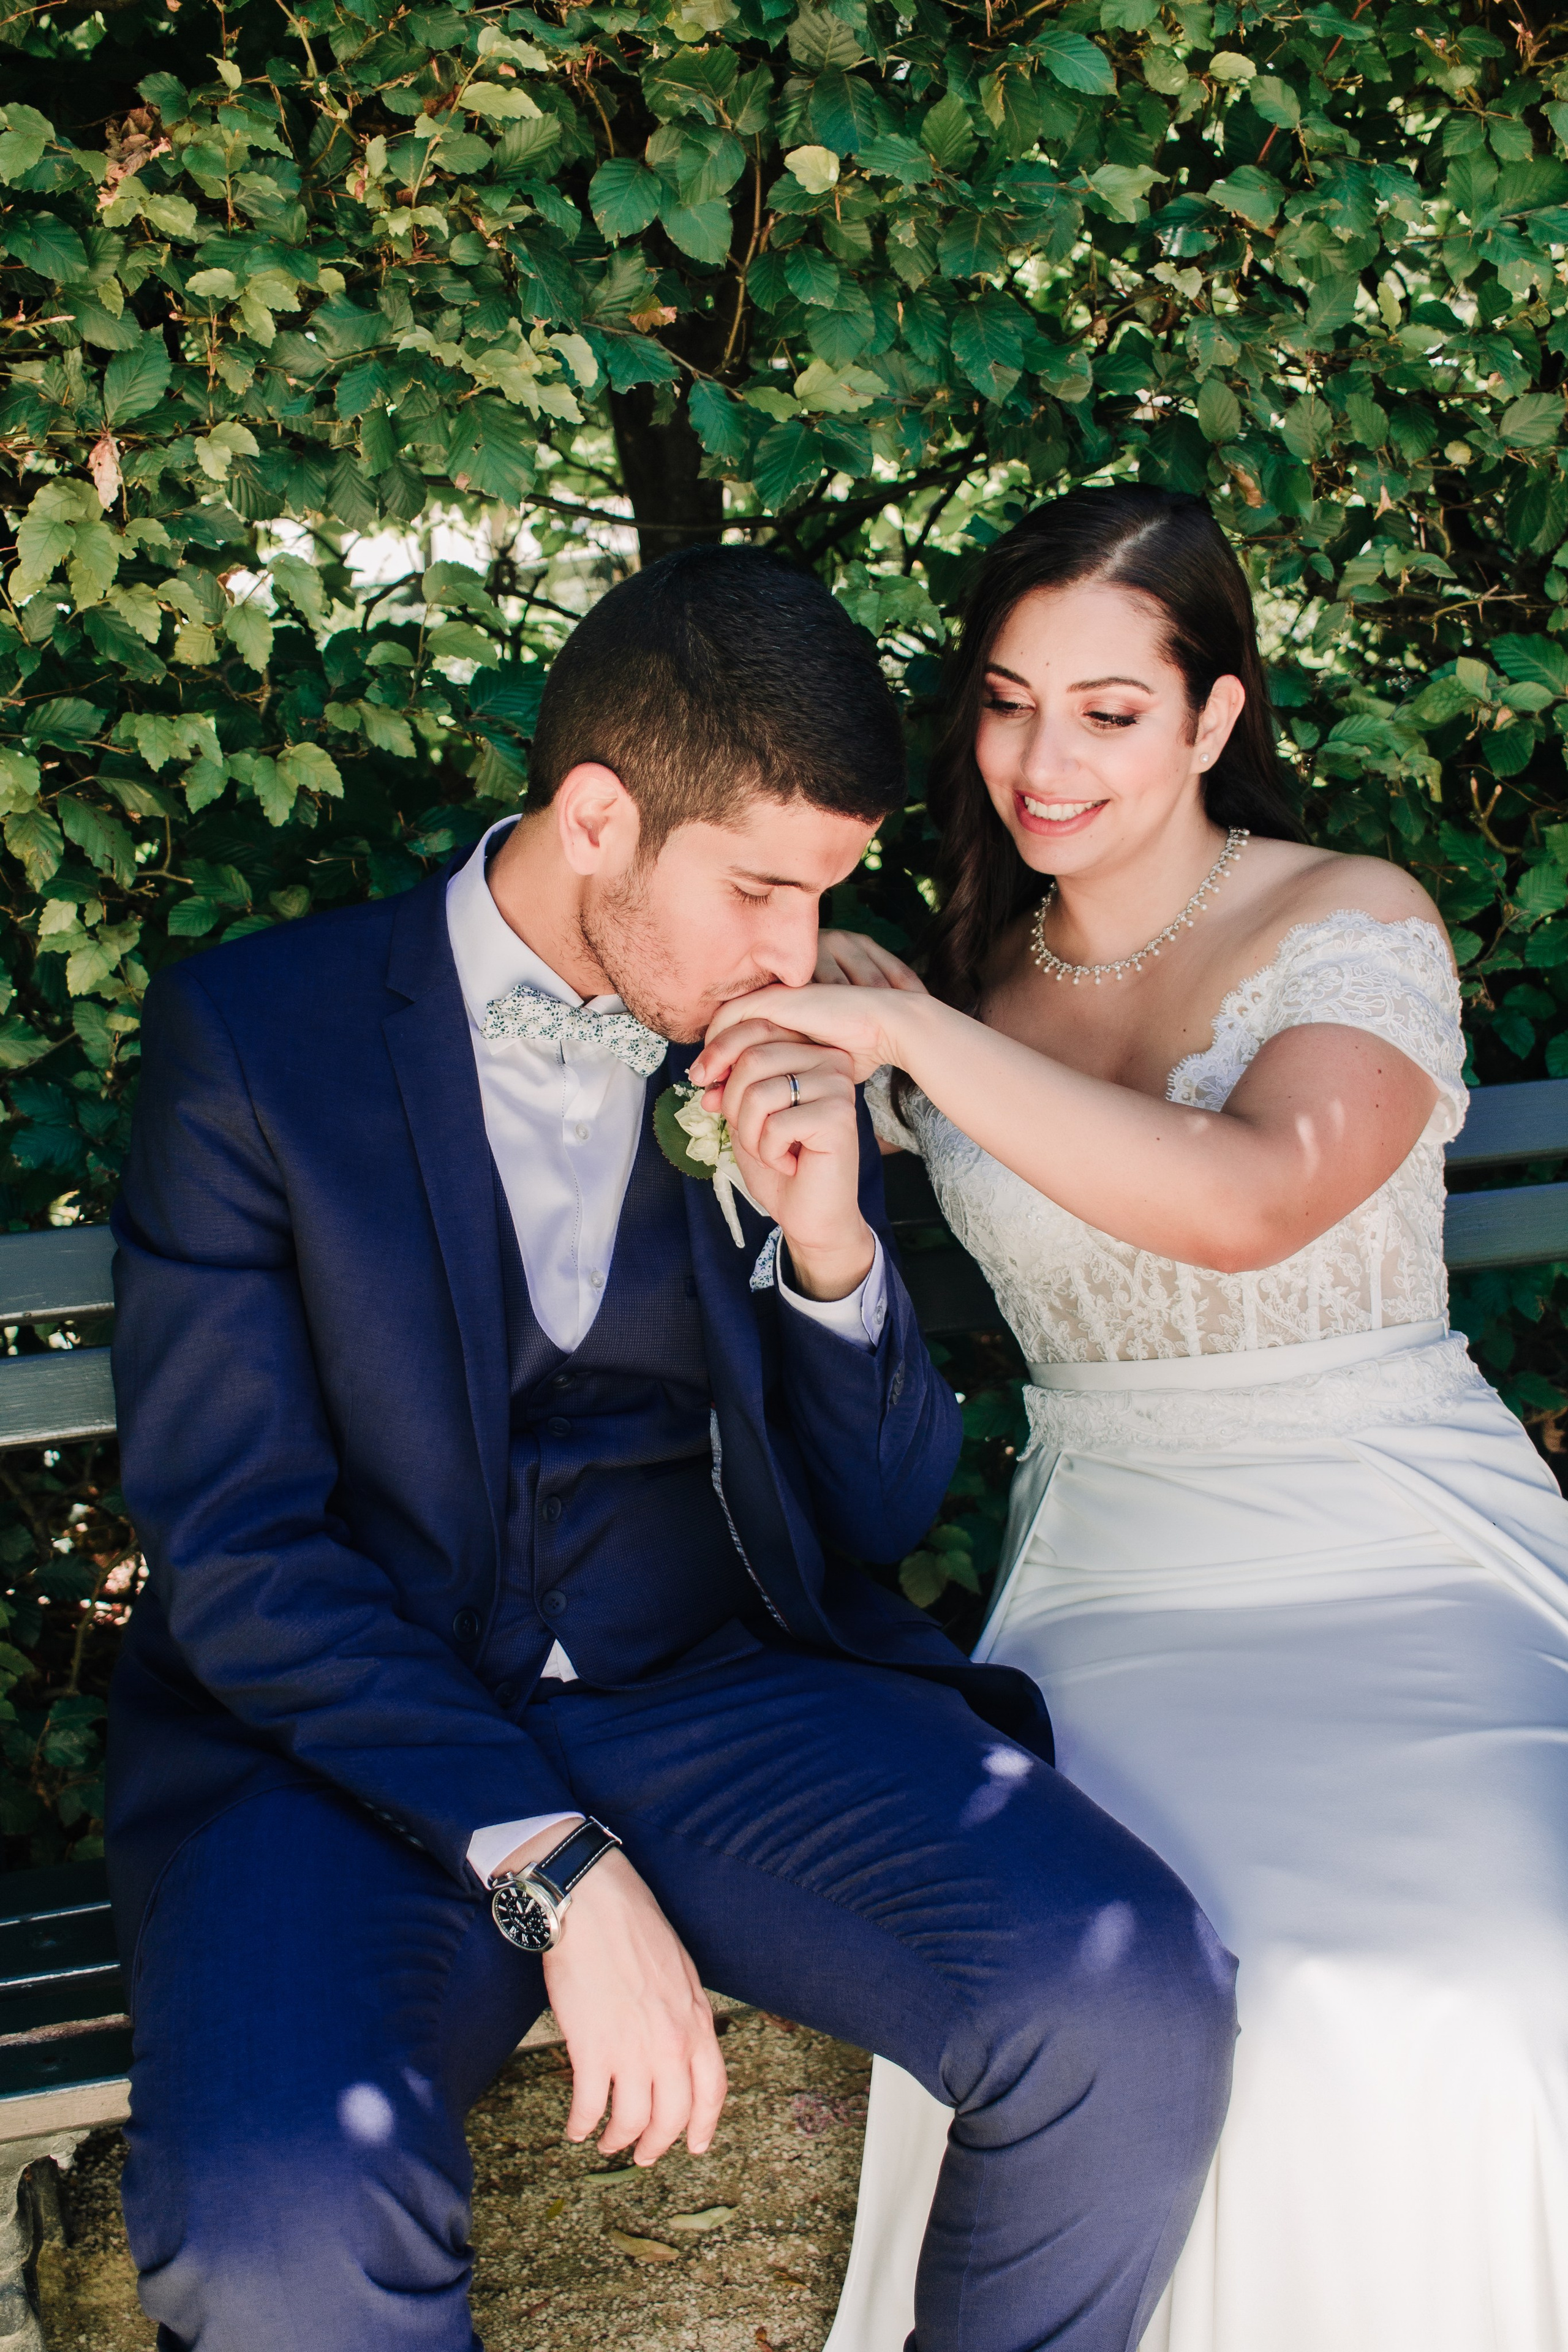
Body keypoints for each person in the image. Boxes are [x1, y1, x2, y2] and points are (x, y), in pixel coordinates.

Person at [105, 544, 1236, 2352]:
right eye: (764, 891)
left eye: (827, 893)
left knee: (1133, 2007)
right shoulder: (256, 1042)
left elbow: (872, 1516)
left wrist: (833, 1243)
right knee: (274, 2222)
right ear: (600, 815)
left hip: (714, 1693)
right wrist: (550, 1861)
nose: (801, 958)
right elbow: (239, 1551)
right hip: (340, 1748)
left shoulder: (775, 1038)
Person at [693, 491, 1568, 2352]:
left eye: (1108, 709)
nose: (1042, 758)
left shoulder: (1350, 917)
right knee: (1212, 1983)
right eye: (1009, 703)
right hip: (1124, 1573)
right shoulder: (973, 973)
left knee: (1496, 1964)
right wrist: (869, 1051)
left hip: (1400, 1546)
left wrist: (920, 1044)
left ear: (1214, 720)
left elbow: (1255, 1195)